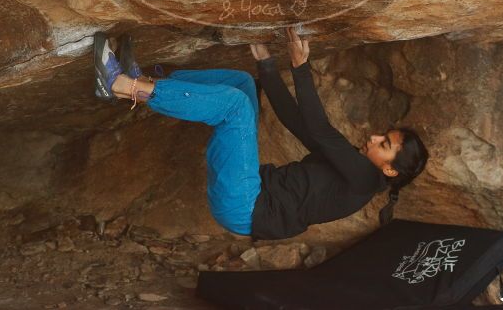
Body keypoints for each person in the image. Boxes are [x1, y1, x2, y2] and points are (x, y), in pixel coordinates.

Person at [93, 27, 428, 240]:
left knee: (236, 106)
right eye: (382, 136)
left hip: (246, 207)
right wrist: (267, 65)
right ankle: (143, 82)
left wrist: (300, 67)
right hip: (249, 188)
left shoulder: (365, 182)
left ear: (390, 169)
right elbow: (297, 122)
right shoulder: (355, 168)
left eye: (384, 145)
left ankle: (123, 85)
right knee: (241, 84)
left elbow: (319, 128)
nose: (372, 139)